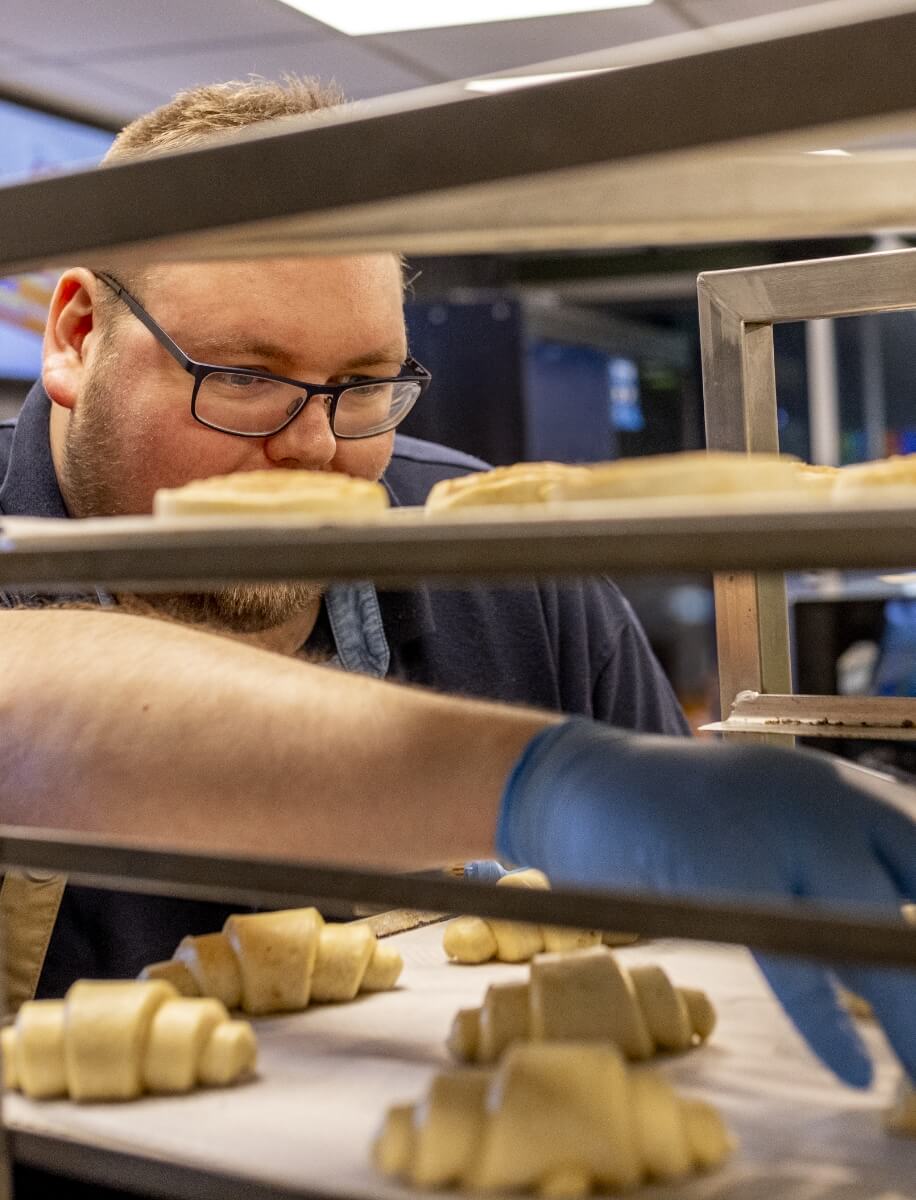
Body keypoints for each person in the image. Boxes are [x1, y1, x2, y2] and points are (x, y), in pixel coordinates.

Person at [0, 79, 912, 1094]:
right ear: (78, 335)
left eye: (362, 384)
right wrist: (530, 782)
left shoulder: (496, 558)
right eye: (244, 377)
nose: (315, 449)